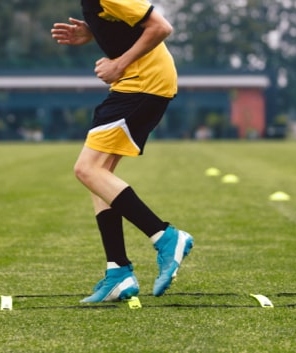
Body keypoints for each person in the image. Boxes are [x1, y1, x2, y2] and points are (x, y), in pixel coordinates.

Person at [52, 0, 193, 303]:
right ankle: (118, 271)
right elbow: (130, 23)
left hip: (144, 85)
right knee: (97, 176)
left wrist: (118, 64)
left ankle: (166, 237)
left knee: (86, 169)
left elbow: (160, 27)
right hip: (137, 85)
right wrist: (93, 30)